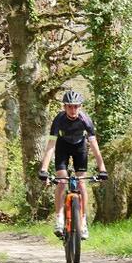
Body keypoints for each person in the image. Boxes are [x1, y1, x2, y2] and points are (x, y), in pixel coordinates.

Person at [38, 89, 107, 239]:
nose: (73, 109)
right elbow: (51, 145)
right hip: (63, 146)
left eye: (76, 106)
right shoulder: (59, 120)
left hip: (80, 147)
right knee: (62, 181)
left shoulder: (85, 120)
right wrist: (43, 169)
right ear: (64, 107)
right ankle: (59, 218)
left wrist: (102, 168)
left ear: (80, 106)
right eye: (69, 106)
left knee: (82, 183)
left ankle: (83, 221)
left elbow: (94, 145)